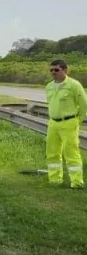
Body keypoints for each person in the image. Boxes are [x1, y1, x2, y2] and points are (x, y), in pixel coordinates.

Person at [44, 59, 87, 188]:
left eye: (56, 70)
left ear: (65, 70)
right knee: (52, 152)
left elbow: (84, 105)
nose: (53, 72)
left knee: (71, 152)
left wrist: (77, 120)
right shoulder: (49, 86)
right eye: (51, 70)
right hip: (53, 123)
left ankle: (76, 182)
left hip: (69, 123)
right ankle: (55, 180)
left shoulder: (74, 85)